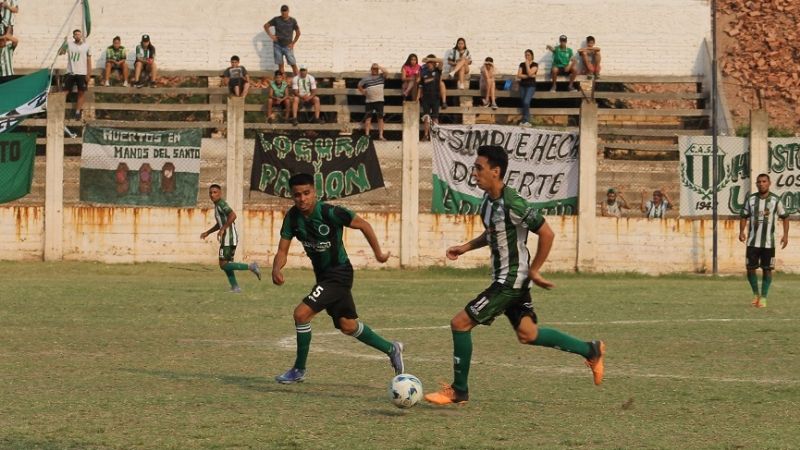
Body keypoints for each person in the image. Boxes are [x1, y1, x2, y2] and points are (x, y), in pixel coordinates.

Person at [424, 145, 605, 405]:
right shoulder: (488, 202)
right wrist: (465, 247)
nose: (474, 173)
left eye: (479, 168)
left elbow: (546, 233)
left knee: (460, 323)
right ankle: (591, 349)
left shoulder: (513, 202)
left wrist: (535, 270)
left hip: (510, 281)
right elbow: (494, 233)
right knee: (528, 334)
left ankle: (459, 390)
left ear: (495, 172)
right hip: (510, 280)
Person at [271, 173, 405, 384]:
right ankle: (391, 348)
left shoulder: (330, 212)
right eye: (297, 195)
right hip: (324, 277)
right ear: (292, 196)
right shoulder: (292, 218)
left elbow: (364, 225)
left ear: (314, 192)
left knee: (301, 315)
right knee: (348, 325)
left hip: (339, 273)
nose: (302, 199)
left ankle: (299, 369)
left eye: (307, 193)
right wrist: (276, 268)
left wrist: (379, 254)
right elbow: (282, 250)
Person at [739, 174, 789, 308]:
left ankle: (764, 298)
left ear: (769, 183)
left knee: (767, 269)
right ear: (756, 184)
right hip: (752, 242)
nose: (761, 184)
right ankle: (756, 295)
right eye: (759, 182)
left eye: (764, 181)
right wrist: (741, 231)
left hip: (768, 243)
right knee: (750, 269)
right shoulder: (751, 200)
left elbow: (785, 217)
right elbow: (743, 216)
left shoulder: (775, 200)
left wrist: (785, 235)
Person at [200, 184, 261, 293]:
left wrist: (223, 229)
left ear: (220, 193)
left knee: (223, 265)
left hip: (229, 237)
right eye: (210, 192)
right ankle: (235, 287)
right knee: (227, 264)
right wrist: (208, 232)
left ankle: (251, 266)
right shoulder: (217, 205)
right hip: (229, 237)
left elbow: (233, 215)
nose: (212, 195)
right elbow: (220, 223)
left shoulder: (221, 204)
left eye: (215, 192)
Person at [58, 29, 92, 120]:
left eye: (79, 34)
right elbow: (60, 53)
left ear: (81, 36)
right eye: (75, 34)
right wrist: (63, 43)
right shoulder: (69, 45)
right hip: (70, 72)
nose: (77, 36)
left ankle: (77, 112)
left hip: (82, 73)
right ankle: (59, 111)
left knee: (81, 93)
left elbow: (89, 60)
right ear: (73, 36)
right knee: (64, 92)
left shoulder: (86, 46)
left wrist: (89, 73)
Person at [264, 4, 300, 75]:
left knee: (292, 63)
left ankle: (298, 79)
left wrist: (293, 43)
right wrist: (271, 36)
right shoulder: (276, 19)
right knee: (280, 64)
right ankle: (283, 81)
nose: (284, 13)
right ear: (281, 11)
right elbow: (266, 26)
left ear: (288, 11)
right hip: (277, 45)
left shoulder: (292, 21)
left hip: (288, 46)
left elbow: (298, 33)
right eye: (282, 11)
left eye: (285, 11)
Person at [358, 63, 387, 140]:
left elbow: (386, 72)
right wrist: (363, 91)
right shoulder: (366, 78)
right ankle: (367, 135)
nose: (375, 70)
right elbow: (359, 85)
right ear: (371, 69)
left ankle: (381, 135)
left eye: (376, 69)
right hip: (369, 101)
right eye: (373, 69)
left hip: (379, 101)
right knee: (368, 119)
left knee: (380, 118)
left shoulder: (381, 77)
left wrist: (379, 66)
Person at [419, 54, 445, 141]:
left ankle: (436, 135)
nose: (428, 64)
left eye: (430, 62)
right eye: (428, 62)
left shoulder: (438, 70)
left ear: (434, 63)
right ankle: (426, 135)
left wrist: (430, 58)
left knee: (435, 117)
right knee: (426, 117)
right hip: (426, 98)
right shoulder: (424, 72)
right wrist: (418, 98)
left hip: (435, 97)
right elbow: (421, 86)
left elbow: (442, 61)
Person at [516, 49, 538, 126]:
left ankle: (525, 120)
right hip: (522, 85)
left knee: (526, 102)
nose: (526, 56)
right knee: (525, 103)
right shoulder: (521, 64)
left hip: (531, 86)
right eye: (525, 55)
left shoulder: (535, 64)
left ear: (532, 55)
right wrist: (529, 76)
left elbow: (529, 72)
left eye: (528, 55)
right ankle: (526, 120)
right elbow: (519, 75)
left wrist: (527, 65)